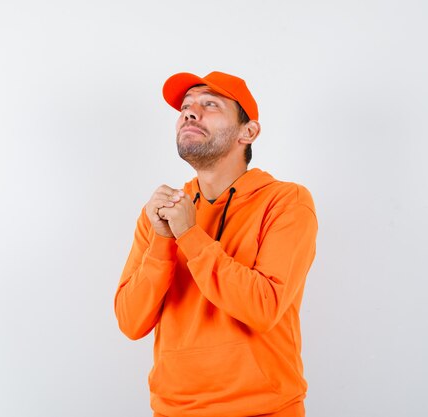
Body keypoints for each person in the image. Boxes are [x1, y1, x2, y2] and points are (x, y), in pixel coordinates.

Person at [114, 71, 318, 417]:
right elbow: (131, 322)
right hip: (173, 410)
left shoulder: (286, 202)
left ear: (248, 132)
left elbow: (263, 307)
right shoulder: (161, 213)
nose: (190, 113)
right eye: (186, 107)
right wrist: (164, 240)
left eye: (210, 104)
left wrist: (191, 236)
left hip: (264, 410)